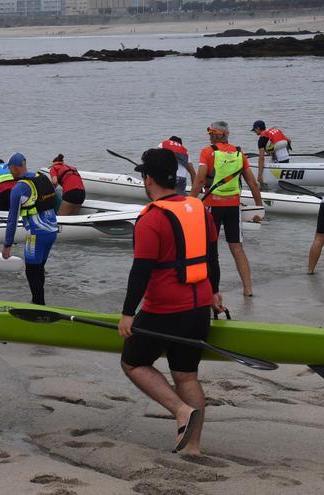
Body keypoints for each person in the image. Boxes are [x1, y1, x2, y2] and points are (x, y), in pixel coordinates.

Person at [118, 148, 223, 455]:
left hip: (164, 310)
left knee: (133, 362)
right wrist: (214, 291)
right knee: (186, 374)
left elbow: (141, 270)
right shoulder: (198, 208)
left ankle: (180, 410)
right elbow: (212, 256)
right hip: (199, 307)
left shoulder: (151, 218)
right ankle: (193, 447)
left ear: (148, 179)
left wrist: (127, 313)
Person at [190, 121, 263, 297]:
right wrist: (259, 208)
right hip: (233, 207)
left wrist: (189, 202)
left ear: (215, 135)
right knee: (237, 248)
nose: (208, 136)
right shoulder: (239, 153)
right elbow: (252, 183)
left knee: (210, 250)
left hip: (212, 207)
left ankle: (211, 290)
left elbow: (200, 180)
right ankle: (248, 289)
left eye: (210, 134)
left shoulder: (208, 152)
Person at [1, 153, 58, 305]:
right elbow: (55, 199)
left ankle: (38, 306)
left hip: (36, 235)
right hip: (52, 230)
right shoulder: (41, 177)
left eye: (10, 170)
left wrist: (7, 245)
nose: (10, 173)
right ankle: (39, 303)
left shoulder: (19, 188)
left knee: (32, 271)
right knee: (39, 269)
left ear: (14, 167)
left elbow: (12, 219)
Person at [252, 120, 291, 186]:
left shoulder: (262, 138)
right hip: (286, 158)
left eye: (254, 130)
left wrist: (259, 176)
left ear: (258, 128)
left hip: (279, 161)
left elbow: (261, 158)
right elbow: (287, 141)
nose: (254, 132)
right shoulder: (274, 130)